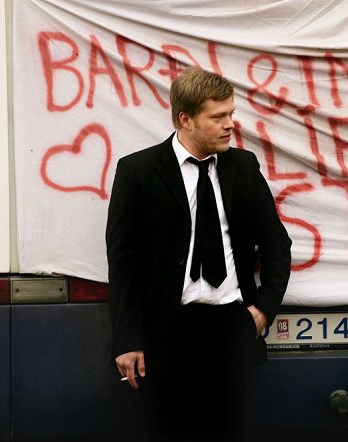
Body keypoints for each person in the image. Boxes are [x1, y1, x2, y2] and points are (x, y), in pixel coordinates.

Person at [106, 67, 292, 441]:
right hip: (168, 330)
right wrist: (128, 338)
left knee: (227, 429)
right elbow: (123, 262)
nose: (230, 125)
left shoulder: (243, 166)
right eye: (218, 117)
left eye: (231, 115)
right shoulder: (138, 171)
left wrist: (263, 310)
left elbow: (276, 244)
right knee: (171, 429)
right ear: (185, 119)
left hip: (231, 327)